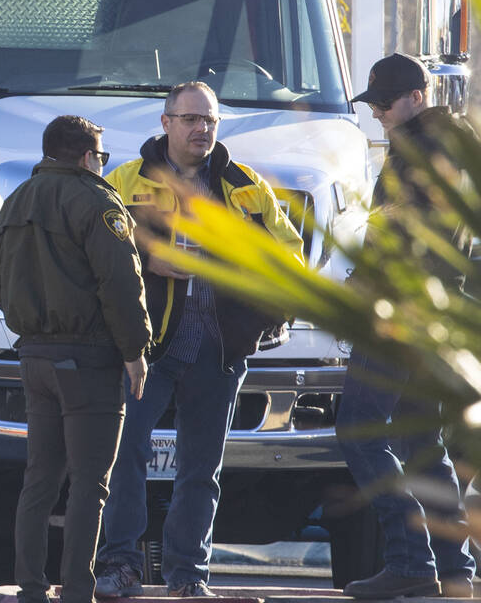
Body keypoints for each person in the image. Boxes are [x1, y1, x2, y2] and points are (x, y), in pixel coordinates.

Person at [95, 81, 303, 598]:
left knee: (201, 471)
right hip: (149, 349)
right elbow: (94, 253)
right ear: (165, 123)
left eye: (209, 120)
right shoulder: (126, 179)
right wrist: (148, 261)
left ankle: (189, 576)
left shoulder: (245, 185)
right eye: (189, 119)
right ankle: (117, 566)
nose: (201, 129)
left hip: (220, 350)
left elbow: (290, 258)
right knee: (125, 459)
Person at [0, 115, 152, 603]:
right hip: (88, 361)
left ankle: (31, 589)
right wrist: (135, 350)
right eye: (100, 157)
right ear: (86, 156)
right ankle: (80, 591)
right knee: (89, 483)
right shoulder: (97, 201)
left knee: (39, 478)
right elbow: (122, 282)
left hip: (34, 355)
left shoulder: (15, 202)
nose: (101, 165)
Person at [335, 53, 475, 599]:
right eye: (372, 102)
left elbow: (402, 241)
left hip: (400, 314)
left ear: (417, 96)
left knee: (358, 429)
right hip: (434, 316)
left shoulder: (420, 149)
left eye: (384, 102)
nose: (377, 112)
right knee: (421, 441)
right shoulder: (445, 145)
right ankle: (455, 571)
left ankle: (411, 558)